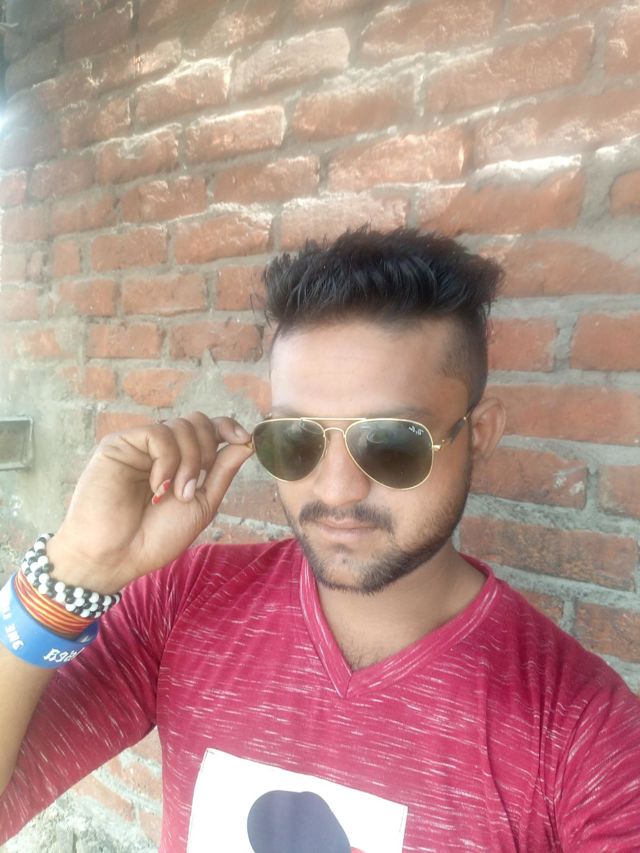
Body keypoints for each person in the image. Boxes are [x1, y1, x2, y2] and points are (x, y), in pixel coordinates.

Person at [0, 228, 638, 852]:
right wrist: (76, 569)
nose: (336, 490)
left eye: (391, 441)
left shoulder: (580, 729)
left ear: (480, 433)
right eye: (297, 439)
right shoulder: (183, 603)